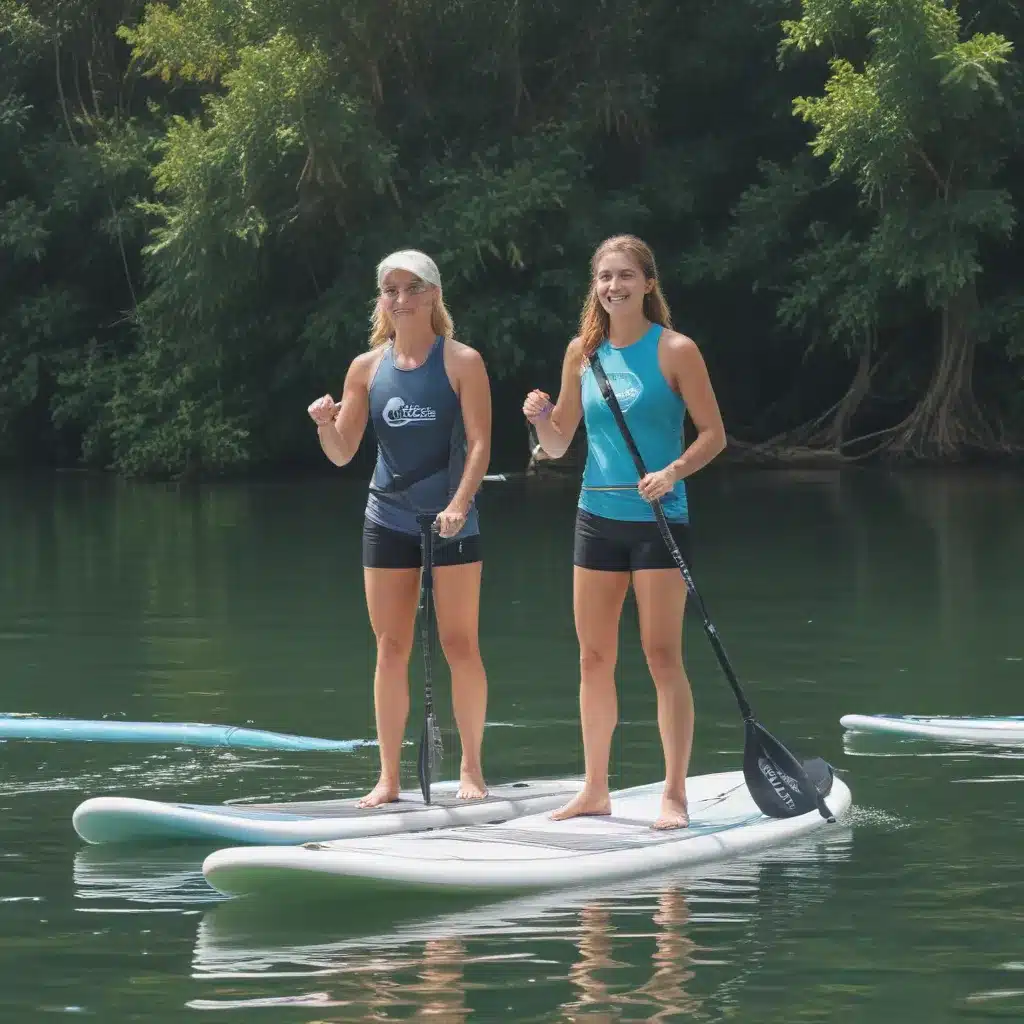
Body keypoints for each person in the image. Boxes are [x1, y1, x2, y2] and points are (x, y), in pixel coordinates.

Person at [523, 235, 726, 829]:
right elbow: (559, 443)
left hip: (659, 520)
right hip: (596, 519)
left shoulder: (676, 350)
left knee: (662, 655)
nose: (614, 287)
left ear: (648, 283)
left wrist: (673, 472)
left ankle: (674, 794)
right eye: (604, 277)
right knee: (593, 656)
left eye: (625, 276)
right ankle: (594, 788)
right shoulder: (581, 353)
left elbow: (713, 435)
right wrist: (541, 420)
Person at [308, 249, 492, 807]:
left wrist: (460, 503)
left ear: (434, 294)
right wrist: (323, 423)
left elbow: (481, 444)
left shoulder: (462, 361)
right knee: (391, 646)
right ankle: (389, 777)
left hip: (451, 518)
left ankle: (472, 769)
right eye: (391, 290)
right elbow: (342, 452)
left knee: (460, 643)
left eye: (413, 288)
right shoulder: (366, 369)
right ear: (381, 300)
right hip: (386, 518)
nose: (401, 299)